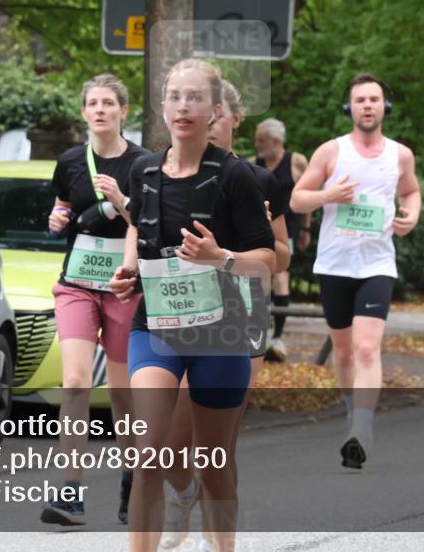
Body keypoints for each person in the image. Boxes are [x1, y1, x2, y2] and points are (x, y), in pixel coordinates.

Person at [110, 60, 276, 552]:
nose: (184, 106)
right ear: (162, 106)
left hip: (220, 332)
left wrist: (220, 257)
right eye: (174, 96)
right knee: (148, 457)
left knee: (216, 464)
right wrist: (130, 275)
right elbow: (146, 239)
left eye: (195, 98)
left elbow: (266, 261)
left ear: (215, 109)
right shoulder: (142, 172)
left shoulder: (237, 177)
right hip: (155, 326)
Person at [158, 79, 292, 550]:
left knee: (218, 445)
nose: (204, 123)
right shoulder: (172, 173)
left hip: (241, 313)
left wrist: (231, 246)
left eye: (213, 116)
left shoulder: (253, 179)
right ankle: (182, 490)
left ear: (234, 119)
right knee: (169, 439)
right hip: (184, 309)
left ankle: (218, 541)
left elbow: (282, 256)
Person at [290, 72, 421, 469]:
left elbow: (410, 191)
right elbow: (297, 200)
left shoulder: (400, 155)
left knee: (366, 347)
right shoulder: (331, 152)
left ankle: (361, 430)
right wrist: (329, 194)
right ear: (350, 108)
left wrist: (410, 216)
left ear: (385, 107)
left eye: (374, 99)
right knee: (344, 351)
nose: (367, 105)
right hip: (334, 264)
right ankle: (353, 414)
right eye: (360, 99)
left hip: (377, 264)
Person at [41, 74, 149, 526]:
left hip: (123, 285)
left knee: (123, 393)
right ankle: (71, 491)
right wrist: (57, 216)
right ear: (84, 112)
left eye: (108, 103)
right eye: (92, 103)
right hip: (77, 283)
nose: (100, 110)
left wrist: (121, 201)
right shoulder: (69, 161)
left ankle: (132, 478)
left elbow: (144, 221)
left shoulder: (144, 164)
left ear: (124, 111)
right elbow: (64, 210)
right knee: (76, 381)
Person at [254, 118, 311, 360]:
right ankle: (263, 333)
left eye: (261, 140)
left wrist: (306, 230)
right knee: (261, 278)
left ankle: (278, 336)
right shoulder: (253, 164)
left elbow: (306, 195)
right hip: (259, 228)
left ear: (276, 141)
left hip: (287, 228)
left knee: (280, 275)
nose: (257, 144)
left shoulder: (296, 162)